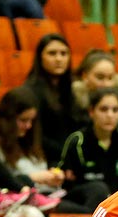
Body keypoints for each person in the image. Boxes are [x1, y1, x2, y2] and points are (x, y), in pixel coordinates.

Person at [57, 86, 118, 198]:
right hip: (83, 202)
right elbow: (66, 184)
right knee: (98, 189)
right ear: (91, 111)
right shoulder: (77, 142)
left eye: (115, 110)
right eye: (103, 109)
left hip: (115, 205)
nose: (110, 115)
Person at [21, 32, 77, 162]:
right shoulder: (30, 91)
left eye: (64, 54)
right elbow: (35, 135)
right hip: (45, 159)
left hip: (72, 158)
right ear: (40, 58)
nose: (59, 59)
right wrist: (66, 154)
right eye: (52, 53)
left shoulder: (74, 89)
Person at [70, 48, 118, 143]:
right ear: (85, 76)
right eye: (100, 77)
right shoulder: (74, 102)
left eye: (110, 78)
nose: (106, 84)